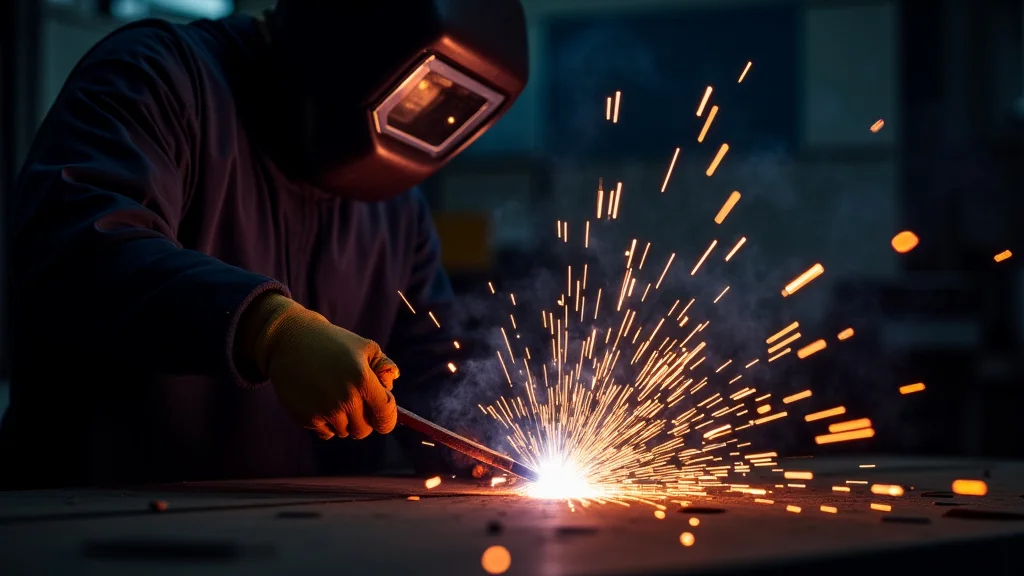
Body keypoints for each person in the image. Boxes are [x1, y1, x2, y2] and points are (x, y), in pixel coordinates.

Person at [0, 0, 528, 488]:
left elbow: (430, 364)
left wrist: (483, 432)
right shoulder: (156, 78)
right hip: (91, 522)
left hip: (303, 543)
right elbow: (77, 251)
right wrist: (267, 328)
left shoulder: (395, 203)